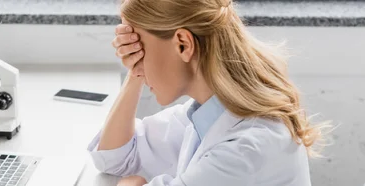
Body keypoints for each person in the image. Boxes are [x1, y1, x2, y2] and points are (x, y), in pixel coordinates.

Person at [87, 0, 328, 185]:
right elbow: (115, 157)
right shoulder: (205, 116)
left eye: (141, 48)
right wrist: (136, 74)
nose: (135, 59)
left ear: (183, 44)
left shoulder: (244, 150)